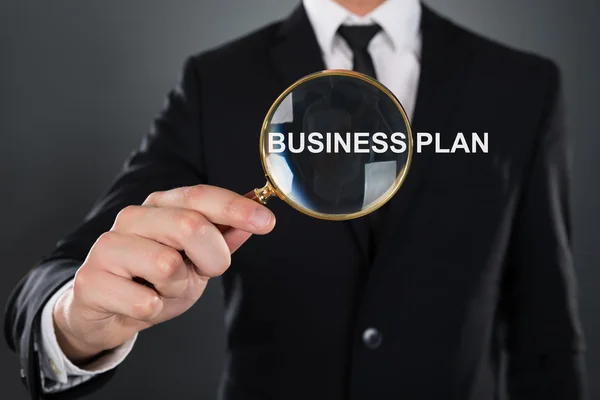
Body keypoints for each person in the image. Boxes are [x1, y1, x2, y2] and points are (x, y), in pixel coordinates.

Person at [4, 0, 587, 399]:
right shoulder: (216, 80)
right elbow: (67, 271)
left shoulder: (522, 85)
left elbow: (546, 330)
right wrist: (73, 325)